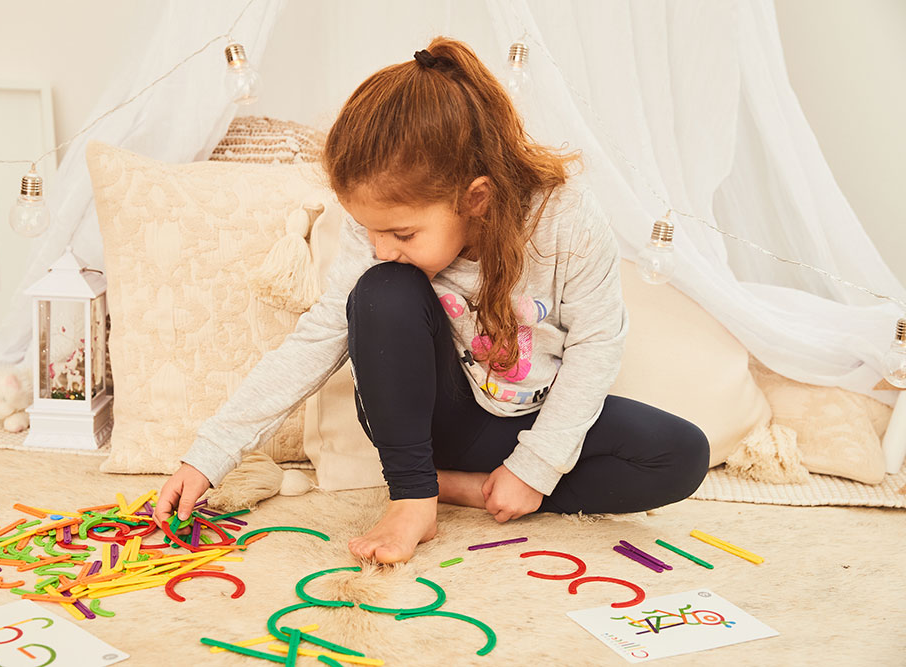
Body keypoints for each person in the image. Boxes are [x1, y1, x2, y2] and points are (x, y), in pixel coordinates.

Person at [155, 37, 710, 564]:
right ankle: (414, 496)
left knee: (681, 455)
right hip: (428, 420)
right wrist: (211, 451)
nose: (380, 247)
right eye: (368, 230)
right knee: (380, 292)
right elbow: (320, 334)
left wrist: (535, 467)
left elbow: (595, 347)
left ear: (476, 197)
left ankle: (465, 488)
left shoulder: (565, 219)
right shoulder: (380, 241)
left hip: (531, 413)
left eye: (401, 234)